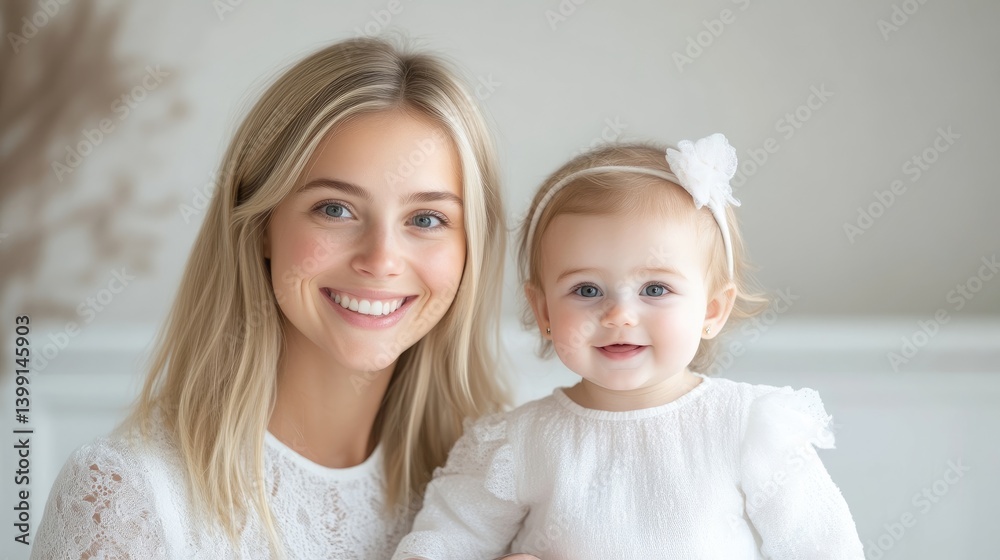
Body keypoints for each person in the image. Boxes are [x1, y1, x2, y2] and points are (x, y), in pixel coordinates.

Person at [31, 37, 510, 559]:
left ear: (471, 249)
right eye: (335, 209)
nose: (381, 259)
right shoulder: (124, 498)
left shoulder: (502, 481)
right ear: (261, 224)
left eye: (426, 219)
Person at [392, 134, 865, 559]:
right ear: (543, 313)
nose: (619, 315)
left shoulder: (746, 428)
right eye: (587, 290)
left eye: (655, 290)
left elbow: (825, 546)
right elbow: (443, 541)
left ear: (712, 311)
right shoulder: (519, 443)